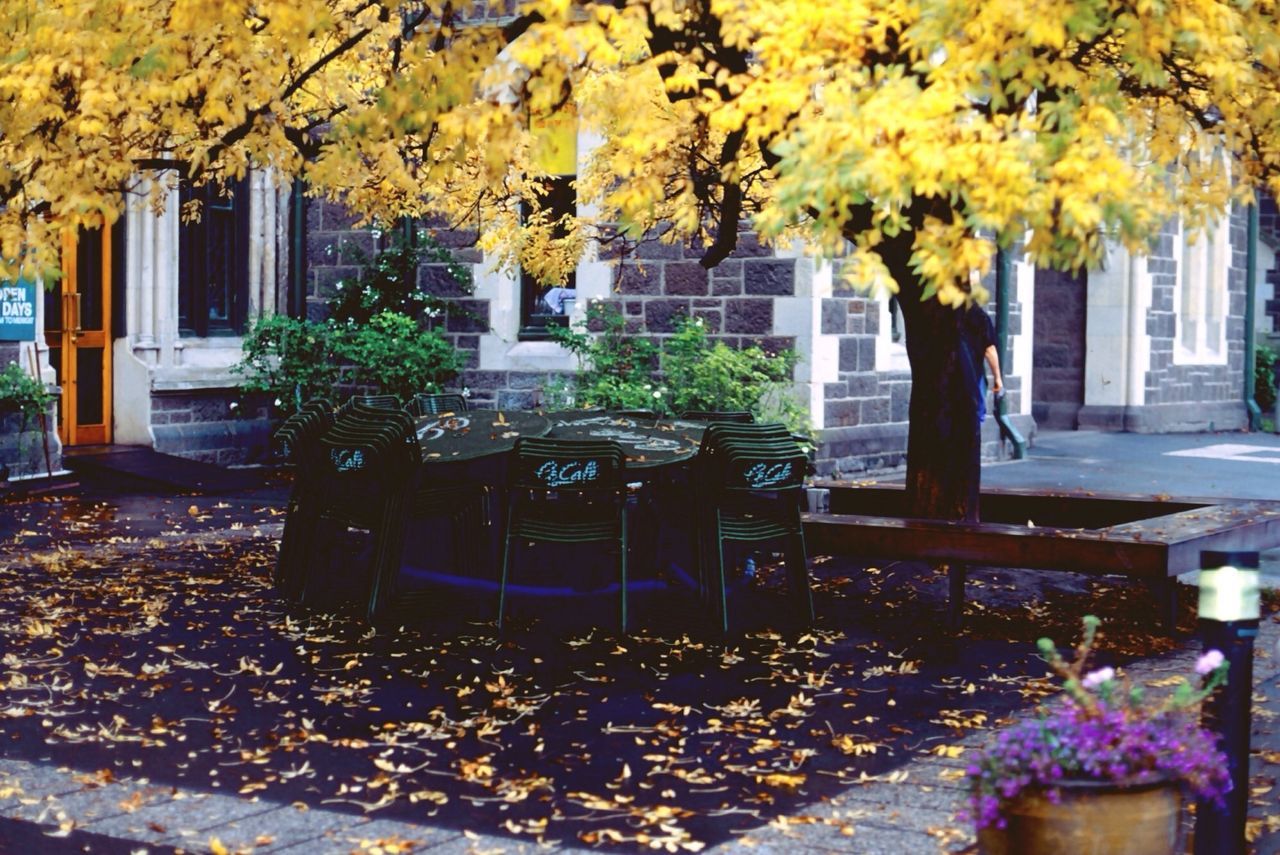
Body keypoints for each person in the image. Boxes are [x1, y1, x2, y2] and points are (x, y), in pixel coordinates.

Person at [959, 302, 1003, 425]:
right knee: (972, 419)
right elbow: (989, 349)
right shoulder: (978, 315)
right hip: (971, 376)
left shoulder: (942, 314)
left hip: (944, 378)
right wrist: (998, 380)